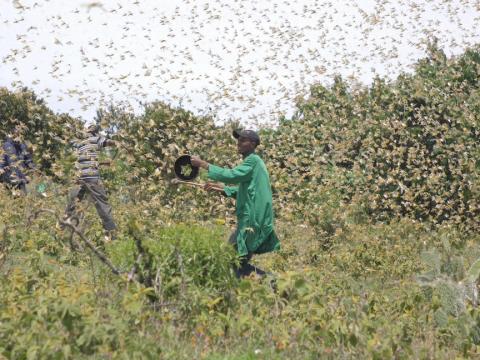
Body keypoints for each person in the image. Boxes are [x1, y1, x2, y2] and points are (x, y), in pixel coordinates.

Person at [191, 129, 280, 278]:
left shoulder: (253, 161)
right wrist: (222, 189)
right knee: (236, 263)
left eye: (243, 140)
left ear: (252, 144)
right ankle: (272, 286)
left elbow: (232, 175)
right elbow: (248, 191)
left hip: (252, 222)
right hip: (254, 221)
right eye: (238, 139)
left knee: (228, 261)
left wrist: (204, 164)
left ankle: (274, 284)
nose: (238, 143)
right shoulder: (254, 164)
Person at [63, 124, 117, 241]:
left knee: (74, 201)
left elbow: (87, 160)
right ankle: (110, 234)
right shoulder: (95, 139)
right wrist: (119, 142)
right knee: (103, 204)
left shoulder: (80, 143)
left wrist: (102, 163)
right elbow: (109, 142)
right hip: (92, 178)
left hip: (81, 178)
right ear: (95, 132)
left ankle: (62, 224)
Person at [0, 128, 35, 194]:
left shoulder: (22, 146)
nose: (18, 137)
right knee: (11, 199)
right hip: (9, 178)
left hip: (21, 178)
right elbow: (1, 160)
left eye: (19, 135)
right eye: (16, 135)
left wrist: (33, 169)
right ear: (12, 134)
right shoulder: (5, 145)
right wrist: (0, 168)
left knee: (23, 198)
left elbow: (28, 160)